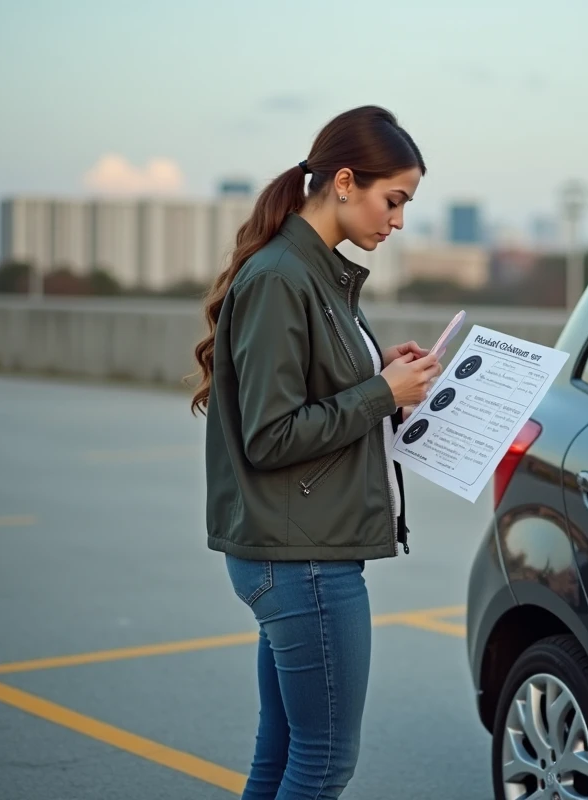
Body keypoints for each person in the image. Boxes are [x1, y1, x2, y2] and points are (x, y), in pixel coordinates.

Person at [189, 105, 441, 800]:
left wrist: (378, 371)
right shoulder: (282, 276)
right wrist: (381, 395)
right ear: (345, 181)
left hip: (295, 548)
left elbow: (311, 388)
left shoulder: (312, 272)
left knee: (283, 756)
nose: (397, 221)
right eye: (394, 201)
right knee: (324, 760)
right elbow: (269, 436)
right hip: (300, 558)